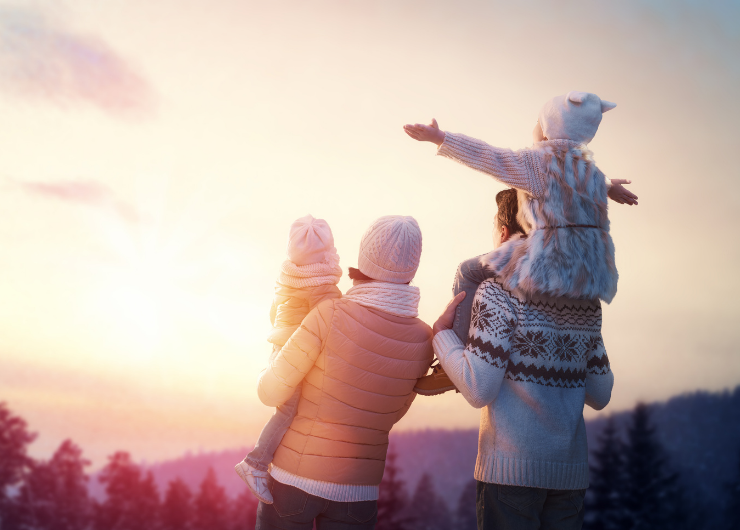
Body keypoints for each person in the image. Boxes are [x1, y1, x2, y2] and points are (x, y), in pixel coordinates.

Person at [406, 91, 633, 529]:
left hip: (511, 476)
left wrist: (441, 138)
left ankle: (458, 340)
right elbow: (601, 394)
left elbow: (479, 391)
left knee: (471, 274)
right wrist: (610, 191)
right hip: (569, 478)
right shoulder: (587, 307)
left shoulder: (502, 292)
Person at [255, 215, 434, 530]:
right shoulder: (424, 339)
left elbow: (270, 392)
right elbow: (391, 412)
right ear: (412, 269)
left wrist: (276, 347)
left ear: (364, 257)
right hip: (359, 494)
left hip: (292, 480)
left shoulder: (329, 314)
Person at [235, 215, 342, 504]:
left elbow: (274, 313)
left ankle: (269, 460)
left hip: (280, 349)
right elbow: (333, 322)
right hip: (297, 355)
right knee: (290, 410)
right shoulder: (322, 287)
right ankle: (255, 463)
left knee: (289, 408)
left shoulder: (289, 279)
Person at [414, 188, 524, 396]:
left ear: (503, 232)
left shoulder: (493, 291)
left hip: (530, 252)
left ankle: (455, 361)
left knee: (467, 270)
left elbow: (479, 392)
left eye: (492, 226)